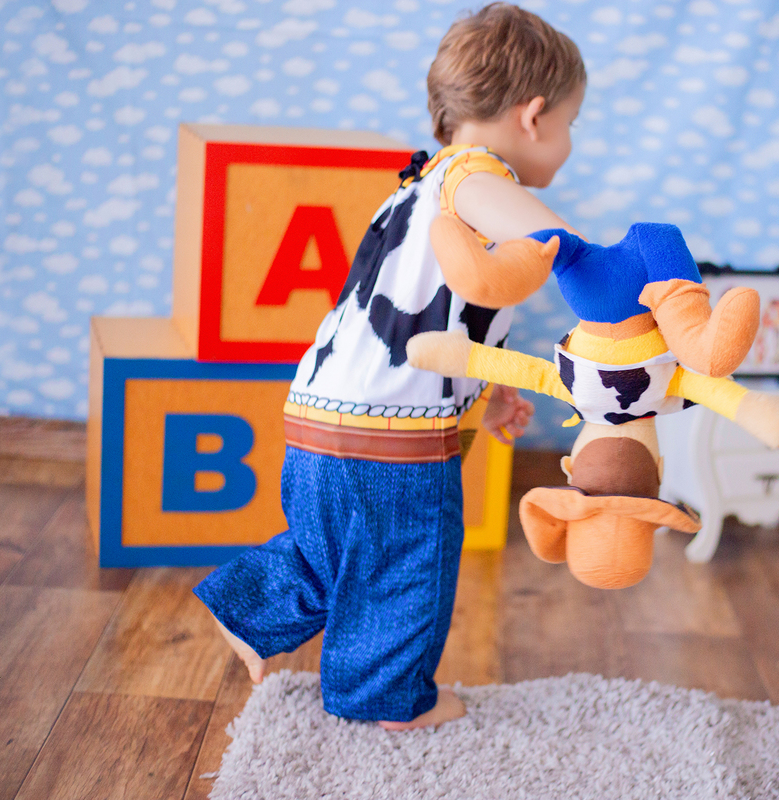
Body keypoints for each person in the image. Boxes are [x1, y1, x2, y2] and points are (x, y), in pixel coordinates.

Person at [193, 2, 585, 731]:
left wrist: (491, 396)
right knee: (408, 565)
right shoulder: (477, 176)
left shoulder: (414, 188)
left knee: (334, 547)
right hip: (392, 438)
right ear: (532, 116)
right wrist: (596, 261)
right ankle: (387, 701)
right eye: (571, 126)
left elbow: (450, 312)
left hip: (317, 410)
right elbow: (546, 239)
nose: (568, 147)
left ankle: (247, 608)